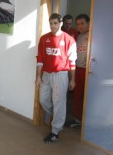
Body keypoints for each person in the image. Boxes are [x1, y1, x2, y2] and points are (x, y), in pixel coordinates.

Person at [35, 13, 77, 143]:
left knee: (59, 102)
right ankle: (59, 117)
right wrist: (38, 77)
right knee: (43, 100)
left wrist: (72, 79)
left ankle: (55, 132)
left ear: (60, 23)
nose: (53, 26)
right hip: (46, 75)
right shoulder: (44, 39)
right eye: (51, 23)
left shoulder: (69, 39)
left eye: (55, 23)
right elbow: (40, 59)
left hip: (60, 75)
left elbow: (72, 61)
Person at [70, 14, 90, 128]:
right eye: (78, 24)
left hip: (88, 71)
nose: (80, 26)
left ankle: (86, 121)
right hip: (78, 69)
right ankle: (77, 119)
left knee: (86, 96)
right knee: (77, 95)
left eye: (82, 23)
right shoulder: (78, 36)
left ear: (88, 23)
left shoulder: (92, 35)